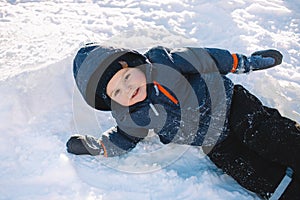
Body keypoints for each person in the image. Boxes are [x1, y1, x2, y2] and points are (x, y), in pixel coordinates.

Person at [66, 43, 300, 199]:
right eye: (117, 92)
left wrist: (247, 62)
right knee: (247, 170)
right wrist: (101, 147)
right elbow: (124, 137)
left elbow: (209, 60)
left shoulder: (167, 62)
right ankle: (287, 190)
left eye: (126, 77)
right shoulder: (132, 115)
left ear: (132, 63)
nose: (128, 89)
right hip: (213, 141)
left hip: (232, 106)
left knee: (264, 134)